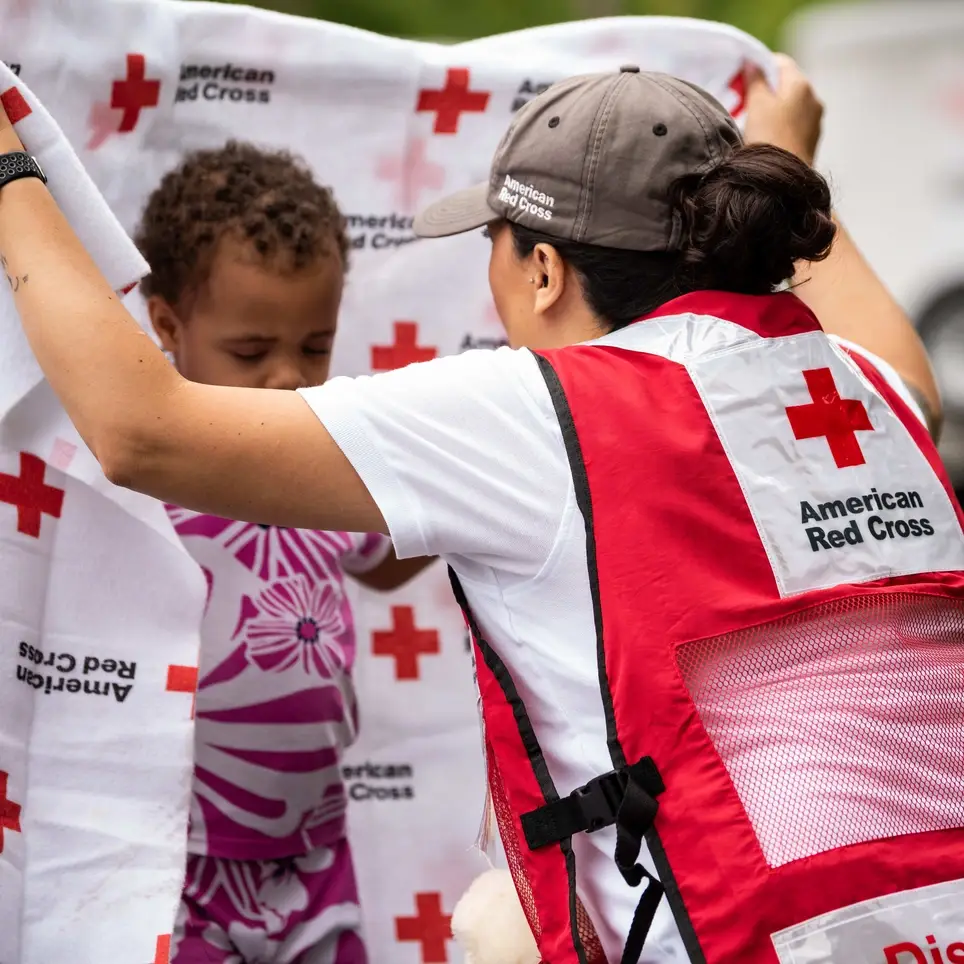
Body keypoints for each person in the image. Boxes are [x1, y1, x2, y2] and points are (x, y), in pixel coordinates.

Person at [3, 55, 963, 964]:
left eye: (495, 244)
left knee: (492, 921)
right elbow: (908, 369)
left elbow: (141, 431)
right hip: (927, 916)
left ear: (543, 271)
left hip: (725, 935)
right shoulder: (859, 386)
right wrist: (787, 157)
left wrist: (12, 162)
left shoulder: (534, 408)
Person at [133, 142, 431, 964]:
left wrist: (453, 507)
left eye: (314, 346)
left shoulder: (322, 471)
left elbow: (391, 552)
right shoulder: (134, 488)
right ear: (167, 325)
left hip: (316, 863)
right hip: (174, 870)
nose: (287, 380)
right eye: (251, 351)